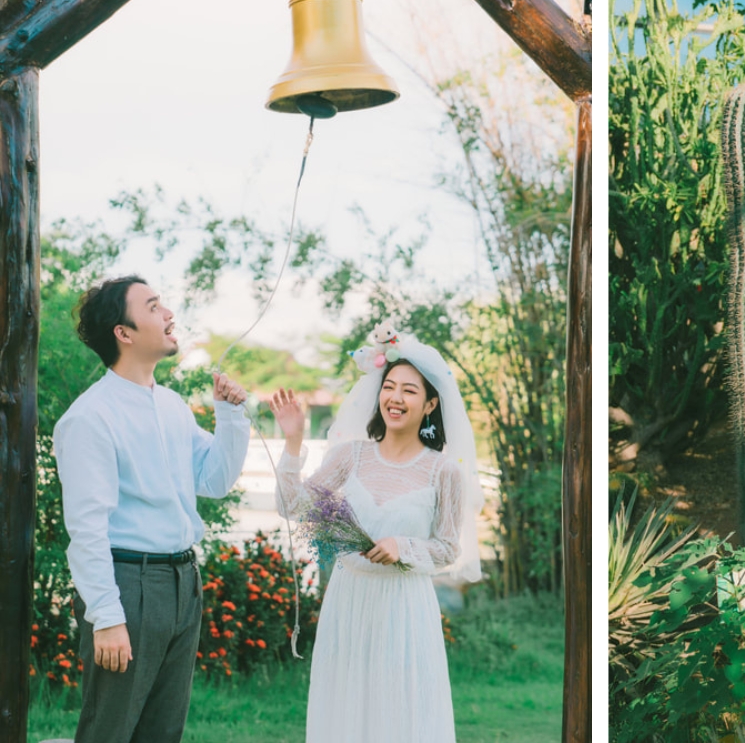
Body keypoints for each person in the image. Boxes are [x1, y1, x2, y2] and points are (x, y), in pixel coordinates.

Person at [53, 275, 251, 743]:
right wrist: (106, 616)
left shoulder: (172, 406)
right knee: (110, 730)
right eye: (154, 306)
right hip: (129, 587)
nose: (169, 314)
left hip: (183, 583)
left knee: (162, 733)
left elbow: (215, 480)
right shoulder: (88, 418)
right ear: (123, 333)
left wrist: (230, 415)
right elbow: (87, 529)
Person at [269, 333, 484, 743]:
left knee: (401, 712)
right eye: (388, 387)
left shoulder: (444, 472)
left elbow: (448, 548)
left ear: (430, 404)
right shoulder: (349, 456)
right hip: (349, 602)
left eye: (408, 390)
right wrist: (293, 441)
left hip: (405, 608)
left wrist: (404, 547)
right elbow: (291, 505)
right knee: (346, 707)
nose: (395, 398)